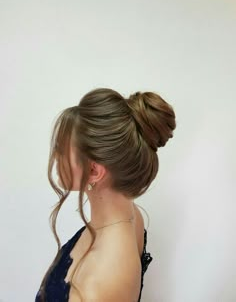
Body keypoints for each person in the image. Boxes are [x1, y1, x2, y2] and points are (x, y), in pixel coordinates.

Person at [35, 87, 176, 302]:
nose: (55, 156)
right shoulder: (130, 216)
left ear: (93, 171)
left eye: (62, 152)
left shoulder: (94, 288)